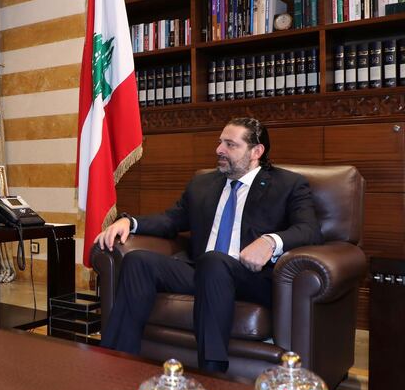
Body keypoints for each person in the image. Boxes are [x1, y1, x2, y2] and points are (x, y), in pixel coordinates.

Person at [95, 117, 323, 372]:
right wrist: (130, 222)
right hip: (203, 271)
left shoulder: (288, 185)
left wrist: (271, 241)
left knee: (214, 261)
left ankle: (212, 370)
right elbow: (172, 219)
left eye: (230, 145)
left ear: (256, 152)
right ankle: (117, 359)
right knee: (138, 261)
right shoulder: (203, 183)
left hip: (250, 277)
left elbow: (309, 230)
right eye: (219, 143)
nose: (219, 150)